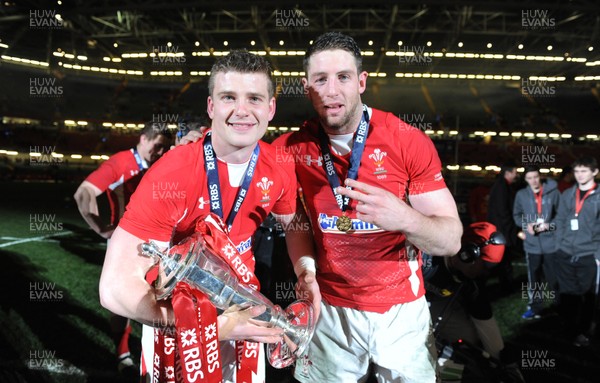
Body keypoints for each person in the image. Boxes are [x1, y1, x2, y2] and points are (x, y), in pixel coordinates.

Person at [99, 50, 315, 383]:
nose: (241, 111)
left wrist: (306, 274)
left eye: (254, 98)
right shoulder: (173, 172)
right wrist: (210, 327)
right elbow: (113, 288)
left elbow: (295, 225)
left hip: (245, 315)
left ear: (270, 108)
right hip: (178, 325)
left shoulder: (278, 167)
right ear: (211, 106)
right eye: (229, 97)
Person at [272, 32, 462, 383]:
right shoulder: (290, 148)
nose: (331, 90)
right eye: (320, 80)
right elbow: (293, 223)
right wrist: (305, 274)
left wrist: (403, 216)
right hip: (329, 308)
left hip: (401, 310)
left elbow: (450, 241)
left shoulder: (406, 140)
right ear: (306, 87)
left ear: (361, 81)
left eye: (343, 77)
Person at [74, 123, 171, 372]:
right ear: (143, 139)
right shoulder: (121, 162)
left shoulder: (163, 163)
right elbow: (83, 193)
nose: (160, 152)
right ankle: (123, 353)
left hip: (160, 244)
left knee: (161, 297)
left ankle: (159, 355)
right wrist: (100, 227)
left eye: (165, 147)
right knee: (122, 301)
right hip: (127, 245)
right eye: (157, 145)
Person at [555, 156, 600, 347]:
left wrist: (598, 254)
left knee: (587, 296)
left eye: (584, 171)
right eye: (577, 171)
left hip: (588, 254)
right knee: (567, 294)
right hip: (565, 252)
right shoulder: (568, 194)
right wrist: (558, 245)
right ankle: (570, 330)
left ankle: (584, 330)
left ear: (595, 172)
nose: (580, 175)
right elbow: (560, 220)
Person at [512, 165, 560, 319]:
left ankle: (559, 307)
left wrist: (549, 226)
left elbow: (561, 216)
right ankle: (536, 307)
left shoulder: (553, 193)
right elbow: (517, 215)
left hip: (551, 244)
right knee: (534, 279)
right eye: (529, 178)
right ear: (525, 179)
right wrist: (527, 226)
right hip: (532, 245)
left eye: (535, 177)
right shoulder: (521, 194)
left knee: (554, 279)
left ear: (540, 177)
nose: (533, 180)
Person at [487, 161, 520, 294]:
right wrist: (510, 229)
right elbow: (503, 211)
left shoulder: (502, 185)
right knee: (503, 261)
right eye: (515, 172)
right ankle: (506, 286)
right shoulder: (502, 187)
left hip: (500, 229)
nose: (516, 174)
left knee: (503, 261)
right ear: (508, 172)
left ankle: (506, 284)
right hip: (502, 231)